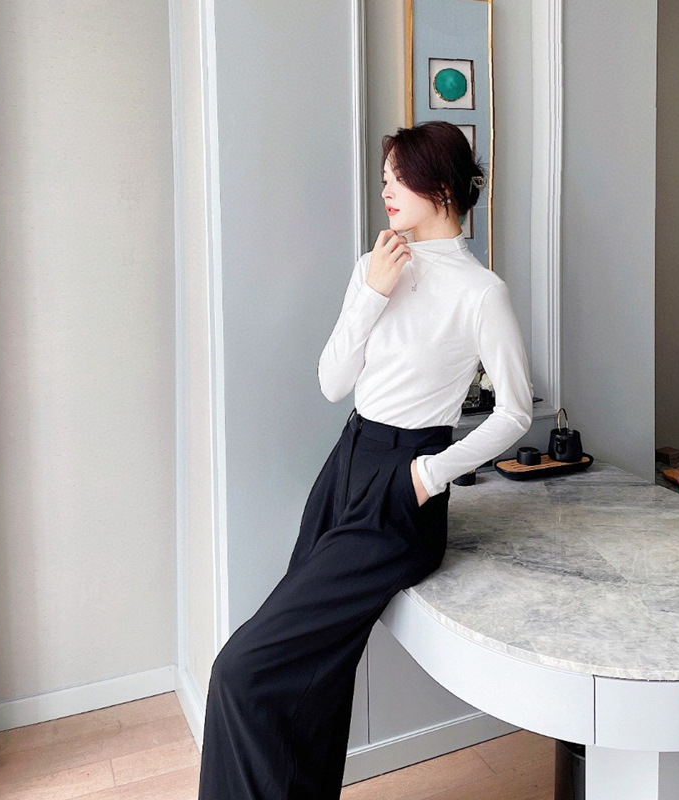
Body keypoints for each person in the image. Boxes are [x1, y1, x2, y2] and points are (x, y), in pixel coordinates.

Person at [197, 120, 533, 800]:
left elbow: (516, 412)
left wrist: (428, 474)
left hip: (401, 489)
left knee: (242, 669)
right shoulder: (375, 266)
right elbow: (331, 383)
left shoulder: (480, 292)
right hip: (344, 467)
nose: (386, 189)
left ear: (441, 187)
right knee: (311, 674)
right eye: (385, 177)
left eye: (398, 177)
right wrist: (373, 292)